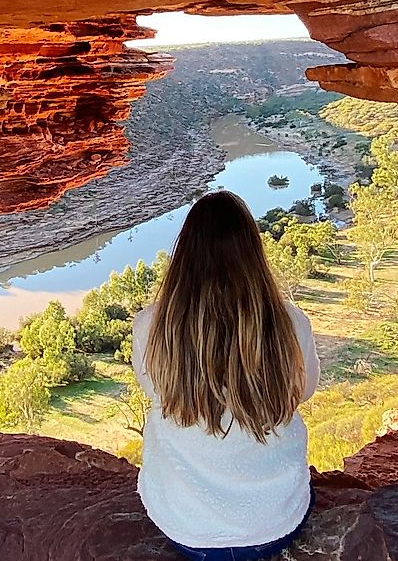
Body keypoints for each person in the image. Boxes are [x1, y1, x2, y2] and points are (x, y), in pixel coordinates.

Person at [132, 190, 321, 560]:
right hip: (276, 520)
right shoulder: (289, 324)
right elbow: (304, 391)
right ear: (253, 253)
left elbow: (155, 393)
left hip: (185, 525)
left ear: (184, 255)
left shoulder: (150, 327)